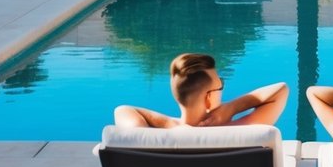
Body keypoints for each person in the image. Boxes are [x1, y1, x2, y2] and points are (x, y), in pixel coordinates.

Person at [114, 52, 288, 129]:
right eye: (220, 86)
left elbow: (122, 110)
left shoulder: (156, 137)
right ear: (208, 98)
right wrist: (231, 108)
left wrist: (170, 125)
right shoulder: (237, 130)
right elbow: (281, 90)